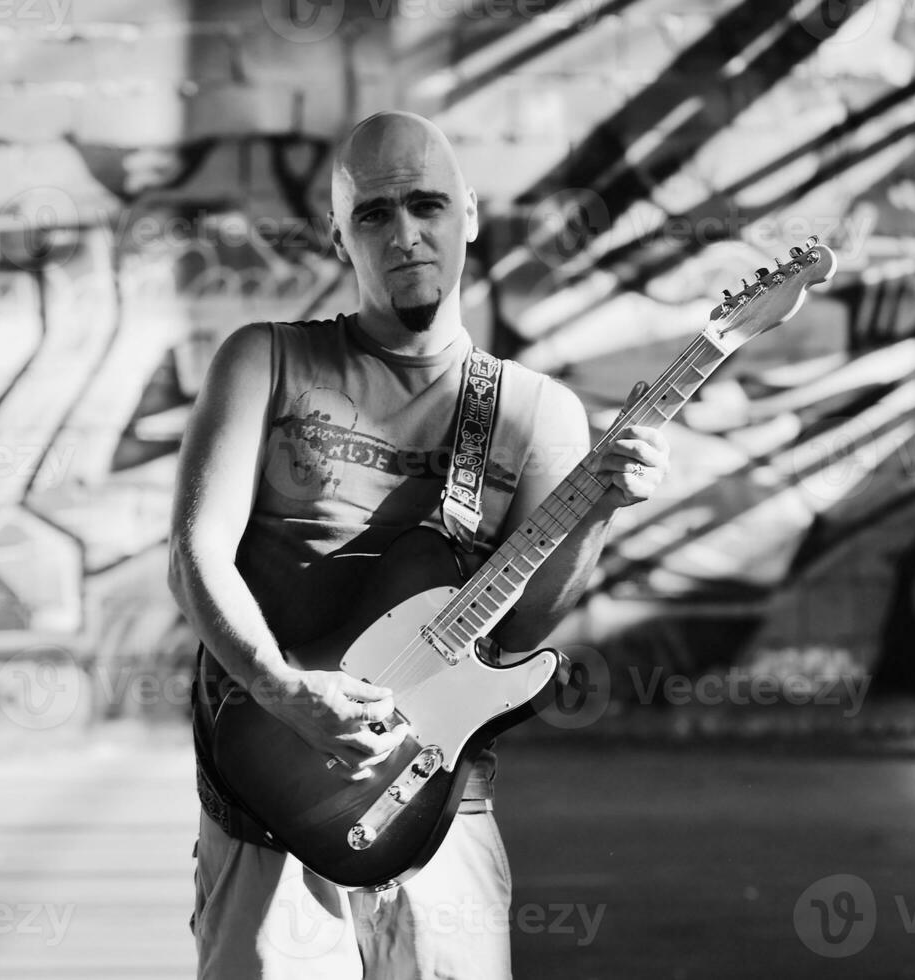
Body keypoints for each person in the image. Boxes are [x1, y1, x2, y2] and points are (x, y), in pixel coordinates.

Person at [168, 110, 670, 979]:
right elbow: (194, 553)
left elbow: (515, 639)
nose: (405, 234)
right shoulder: (266, 361)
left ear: (469, 214)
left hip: (440, 801)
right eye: (374, 214)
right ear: (338, 235)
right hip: (270, 795)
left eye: (427, 205)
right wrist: (282, 690)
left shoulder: (535, 411)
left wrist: (597, 513)